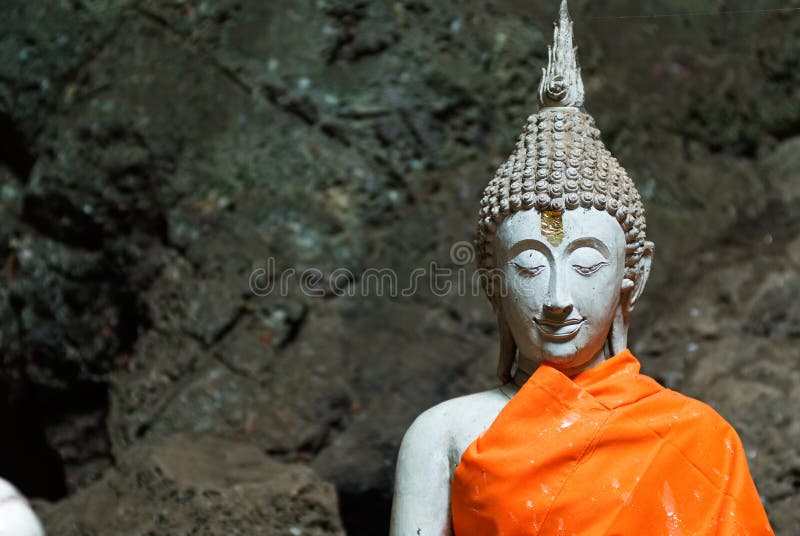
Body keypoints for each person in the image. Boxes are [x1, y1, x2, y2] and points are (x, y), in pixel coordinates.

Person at [389, 2, 773, 534]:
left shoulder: (696, 439)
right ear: (492, 282)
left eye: (588, 264)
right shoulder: (446, 434)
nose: (556, 297)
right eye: (527, 265)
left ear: (632, 276)